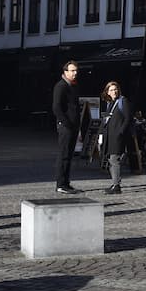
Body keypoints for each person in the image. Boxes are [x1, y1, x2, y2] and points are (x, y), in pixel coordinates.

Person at [53, 60, 82, 194]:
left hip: (73, 126)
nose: (75, 73)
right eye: (72, 70)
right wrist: (67, 123)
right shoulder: (61, 86)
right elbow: (57, 108)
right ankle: (60, 184)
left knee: (69, 155)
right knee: (64, 154)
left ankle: (66, 182)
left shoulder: (73, 86)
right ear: (65, 72)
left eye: (76, 70)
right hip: (66, 126)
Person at [100, 81, 132, 195]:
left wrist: (121, 132)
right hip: (109, 136)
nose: (114, 91)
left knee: (114, 159)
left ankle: (117, 185)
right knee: (110, 159)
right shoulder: (110, 103)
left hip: (117, 136)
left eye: (116, 89)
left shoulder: (123, 101)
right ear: (107, 92)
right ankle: (114, 183)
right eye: (111, 90)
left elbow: (128, 118)